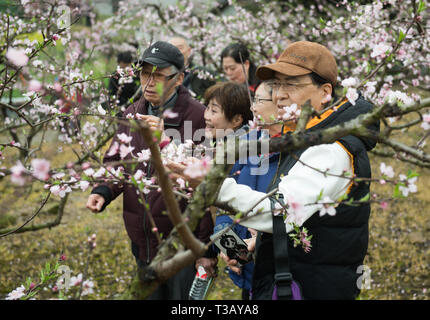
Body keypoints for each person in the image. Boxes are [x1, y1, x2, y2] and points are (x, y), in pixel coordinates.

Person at [173, 41, 380, 299]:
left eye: (290, 85)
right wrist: (239, 244)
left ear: (325, 91)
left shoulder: (331, 150)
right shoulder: (290, 141)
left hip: (308, 286)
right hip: (274, 276)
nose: (278, 95)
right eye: (277, 85)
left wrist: (211, 185)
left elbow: (280, 212)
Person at [86, 41, 217, 300]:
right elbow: (116, 159)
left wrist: (206, 252)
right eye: (145, 74)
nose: (148, 83)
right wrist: (104, 189)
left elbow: (206, 184)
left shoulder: (198, 116)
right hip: (143, 240)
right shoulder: (133, 112)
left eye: (158, 75)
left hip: (183, 246)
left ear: (179, 78)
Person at [214, 81, 283, 300]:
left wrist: (259, 241)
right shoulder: (243, 144)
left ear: (281, 104)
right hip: (248, 269)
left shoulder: (295, 153)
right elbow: (222, 205)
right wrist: (233, 251)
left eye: (259, 101)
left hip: (279, 271)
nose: (252, 108)